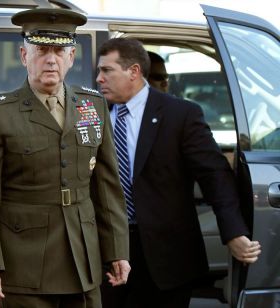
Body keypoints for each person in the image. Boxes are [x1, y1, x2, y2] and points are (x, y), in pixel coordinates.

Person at [0, 9, 130, 308]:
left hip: (83, 262)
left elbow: (107, 188)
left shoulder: (92, 106)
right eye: (41, 50)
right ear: (25, 55)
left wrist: (117, 249)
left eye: (59, 50)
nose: (50, 59)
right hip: (24, 267)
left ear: (72, 56)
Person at [96, 37, 261, 308]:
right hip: (107, 252)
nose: (99, 78)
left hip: (166, 258)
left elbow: (214, 175)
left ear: (134, 72)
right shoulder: (91, 112)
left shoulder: (179, 114)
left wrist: (233, 232)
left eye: (107, 70)